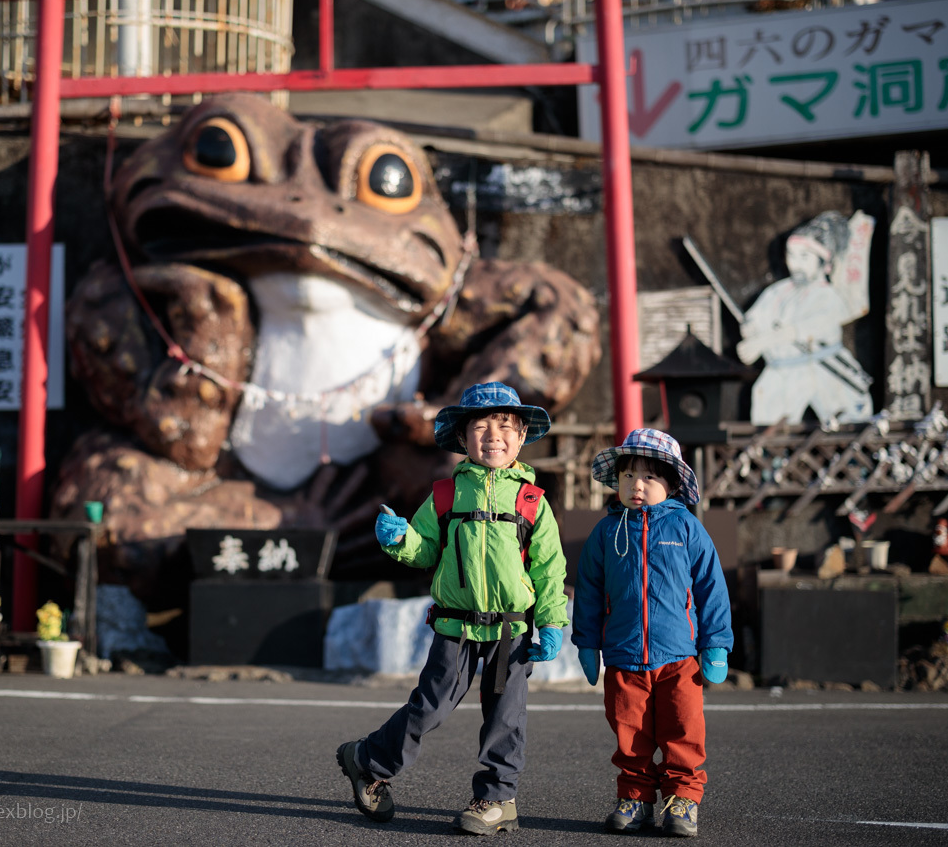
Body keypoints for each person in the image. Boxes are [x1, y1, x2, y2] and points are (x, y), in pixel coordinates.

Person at [336, 381, 569, 835]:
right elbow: (425, 551)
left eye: (505, 426)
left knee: (506, 717)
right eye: (480, 426)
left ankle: (497, 799)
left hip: (511, 631)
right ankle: (368, 760)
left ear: (521, 437)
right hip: (455, 627)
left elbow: (549, 570)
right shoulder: (444, 495)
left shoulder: (533, 502)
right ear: (462, 438)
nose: (493, 436)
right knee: (429, 708)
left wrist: (553, 622)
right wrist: (401, 539)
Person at [571, 428, 732, 838]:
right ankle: (636, 798)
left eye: (648, 477)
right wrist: (587, 644)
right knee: (630, 735)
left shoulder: (687, 528)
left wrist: (715, 645)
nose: (636, 485)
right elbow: (588, 590)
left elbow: (711, 587)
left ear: (672, 483)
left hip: (679, 657)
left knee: (684, 731)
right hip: (623, 657)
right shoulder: (606, 533)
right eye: (627, 476)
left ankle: (683, 800)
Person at [736, 211, 873, 426]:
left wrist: (762, 342)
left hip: (826, 368)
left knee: (848, 424)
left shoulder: (828, 296)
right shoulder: (778, 291)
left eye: (804, 257)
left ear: (824, 263)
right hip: (781, 371)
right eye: (791, 255)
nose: (795, 264)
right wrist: (751, 329)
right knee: (769, 426)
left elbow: (803, 329)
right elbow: (756, 317)